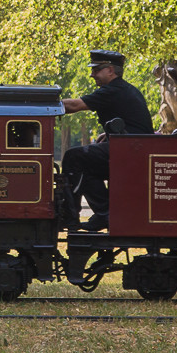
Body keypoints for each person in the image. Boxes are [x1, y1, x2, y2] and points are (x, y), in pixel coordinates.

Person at [59, 49, 155, 230]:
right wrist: (110, 135)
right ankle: (105, 213)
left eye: (96, 70)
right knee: (87, 168)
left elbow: (74, 105)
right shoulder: (123, 89)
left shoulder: (113, 90)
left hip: (130, 150)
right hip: (133, 148)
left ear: (110, 70)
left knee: (74, 156)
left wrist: (41, 102)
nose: (92, 74)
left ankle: (76, 215)